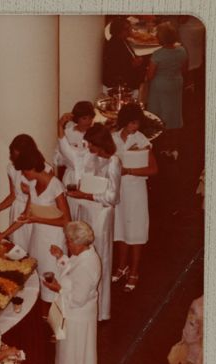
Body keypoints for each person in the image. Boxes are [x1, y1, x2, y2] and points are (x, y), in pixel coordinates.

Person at [0, 148, 71, 315]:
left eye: (24, 172)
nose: (23, 175)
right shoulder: (33, 185)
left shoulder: (55, 185)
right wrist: (3, 235)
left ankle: (55, 319)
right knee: (38, 275)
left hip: (54, 238)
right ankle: (43, 315)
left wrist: (37, 219)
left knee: (52, 279)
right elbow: (25, 216)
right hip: (37, 237)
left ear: (32, 168)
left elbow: (66, 221)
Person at [65, 123, 121, 321]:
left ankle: (101, 310)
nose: (89, 148)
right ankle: (82, 296)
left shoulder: (114, 162)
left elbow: (112, 197)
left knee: (101, 257)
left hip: (102, 214)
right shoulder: (92, 156)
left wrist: (86, 195)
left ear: (100, 143)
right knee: (85, 253)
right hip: (87, 209)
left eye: (92, 145)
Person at [43, 221, 101, 364]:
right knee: (69, 358)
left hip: (77, 318)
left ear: (79, 243)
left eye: (69, 242)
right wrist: (61, 257)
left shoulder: (87, 265)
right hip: (74, 315)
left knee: (74, 358)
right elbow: (71, 273)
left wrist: (57, 288)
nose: (67, 244)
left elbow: (77, 299)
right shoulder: (84, 255)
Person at [112, 103, 158, 292]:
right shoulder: (113, 138)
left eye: (137, 123)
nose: (135, 127)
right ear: (124, 122)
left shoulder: (143, 140)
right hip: (118, 189)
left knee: (136, 231)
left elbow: (154, 169)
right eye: (131, 123)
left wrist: (129, 170)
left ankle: (135, 272)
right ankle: (122, 266)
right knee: (121, 229)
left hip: (136, 190)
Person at [0, 134, 52, 252]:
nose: (15, 159)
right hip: (18, 212)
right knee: (16, 249)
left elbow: (48, 200)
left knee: (34, 249)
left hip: (35, 213)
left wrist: (31, 192)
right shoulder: (11, 168)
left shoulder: (45, 170)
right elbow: (13, 195)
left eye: (18, 156)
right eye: (13, 155)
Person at [146, 21, 188, 159]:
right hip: (176, 83)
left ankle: (160, 147)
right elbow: (183, 69)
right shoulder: (182, 50)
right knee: (174, 115)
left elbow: (150, 75)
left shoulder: (157, 54)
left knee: (158, 115)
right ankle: (174, 148)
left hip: (160, 85)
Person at [54, 102, 96, 220]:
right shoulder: (68, 133)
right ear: (77, 118)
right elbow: (58, 157)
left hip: (90, 176)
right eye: (84, 118)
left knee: (89, 212)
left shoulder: (95, 132)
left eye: (90, 118)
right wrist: (71, 158)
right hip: (72, 176)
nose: (88, 121)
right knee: (72, 210)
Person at [102, 16, 146, 96]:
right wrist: (134, 64)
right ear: (119, 30)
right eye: (127, 29)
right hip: (119, 85)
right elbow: (116, 66)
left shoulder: (122, 40)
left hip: (126, 82)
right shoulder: (114, 45)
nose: (130, 31)